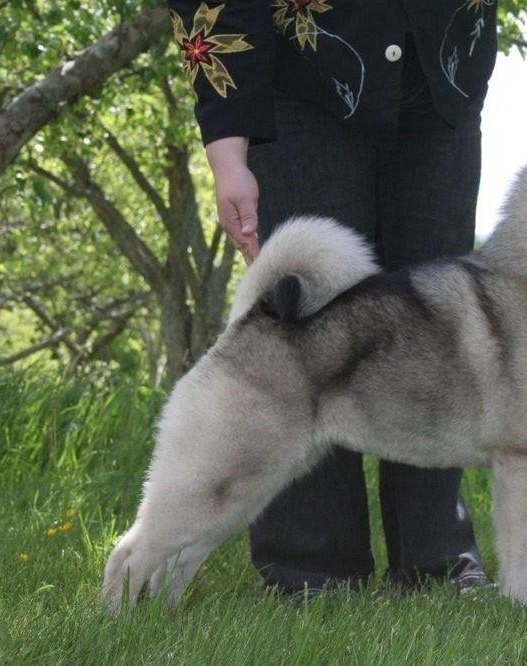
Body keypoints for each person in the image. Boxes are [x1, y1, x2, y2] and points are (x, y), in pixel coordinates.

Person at [167, 0, 498, 595]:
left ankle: (437, 564)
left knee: (440, 337)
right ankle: (309, 570)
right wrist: (228, 153)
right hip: (298, 90)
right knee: (303, 333)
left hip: (443, 87)